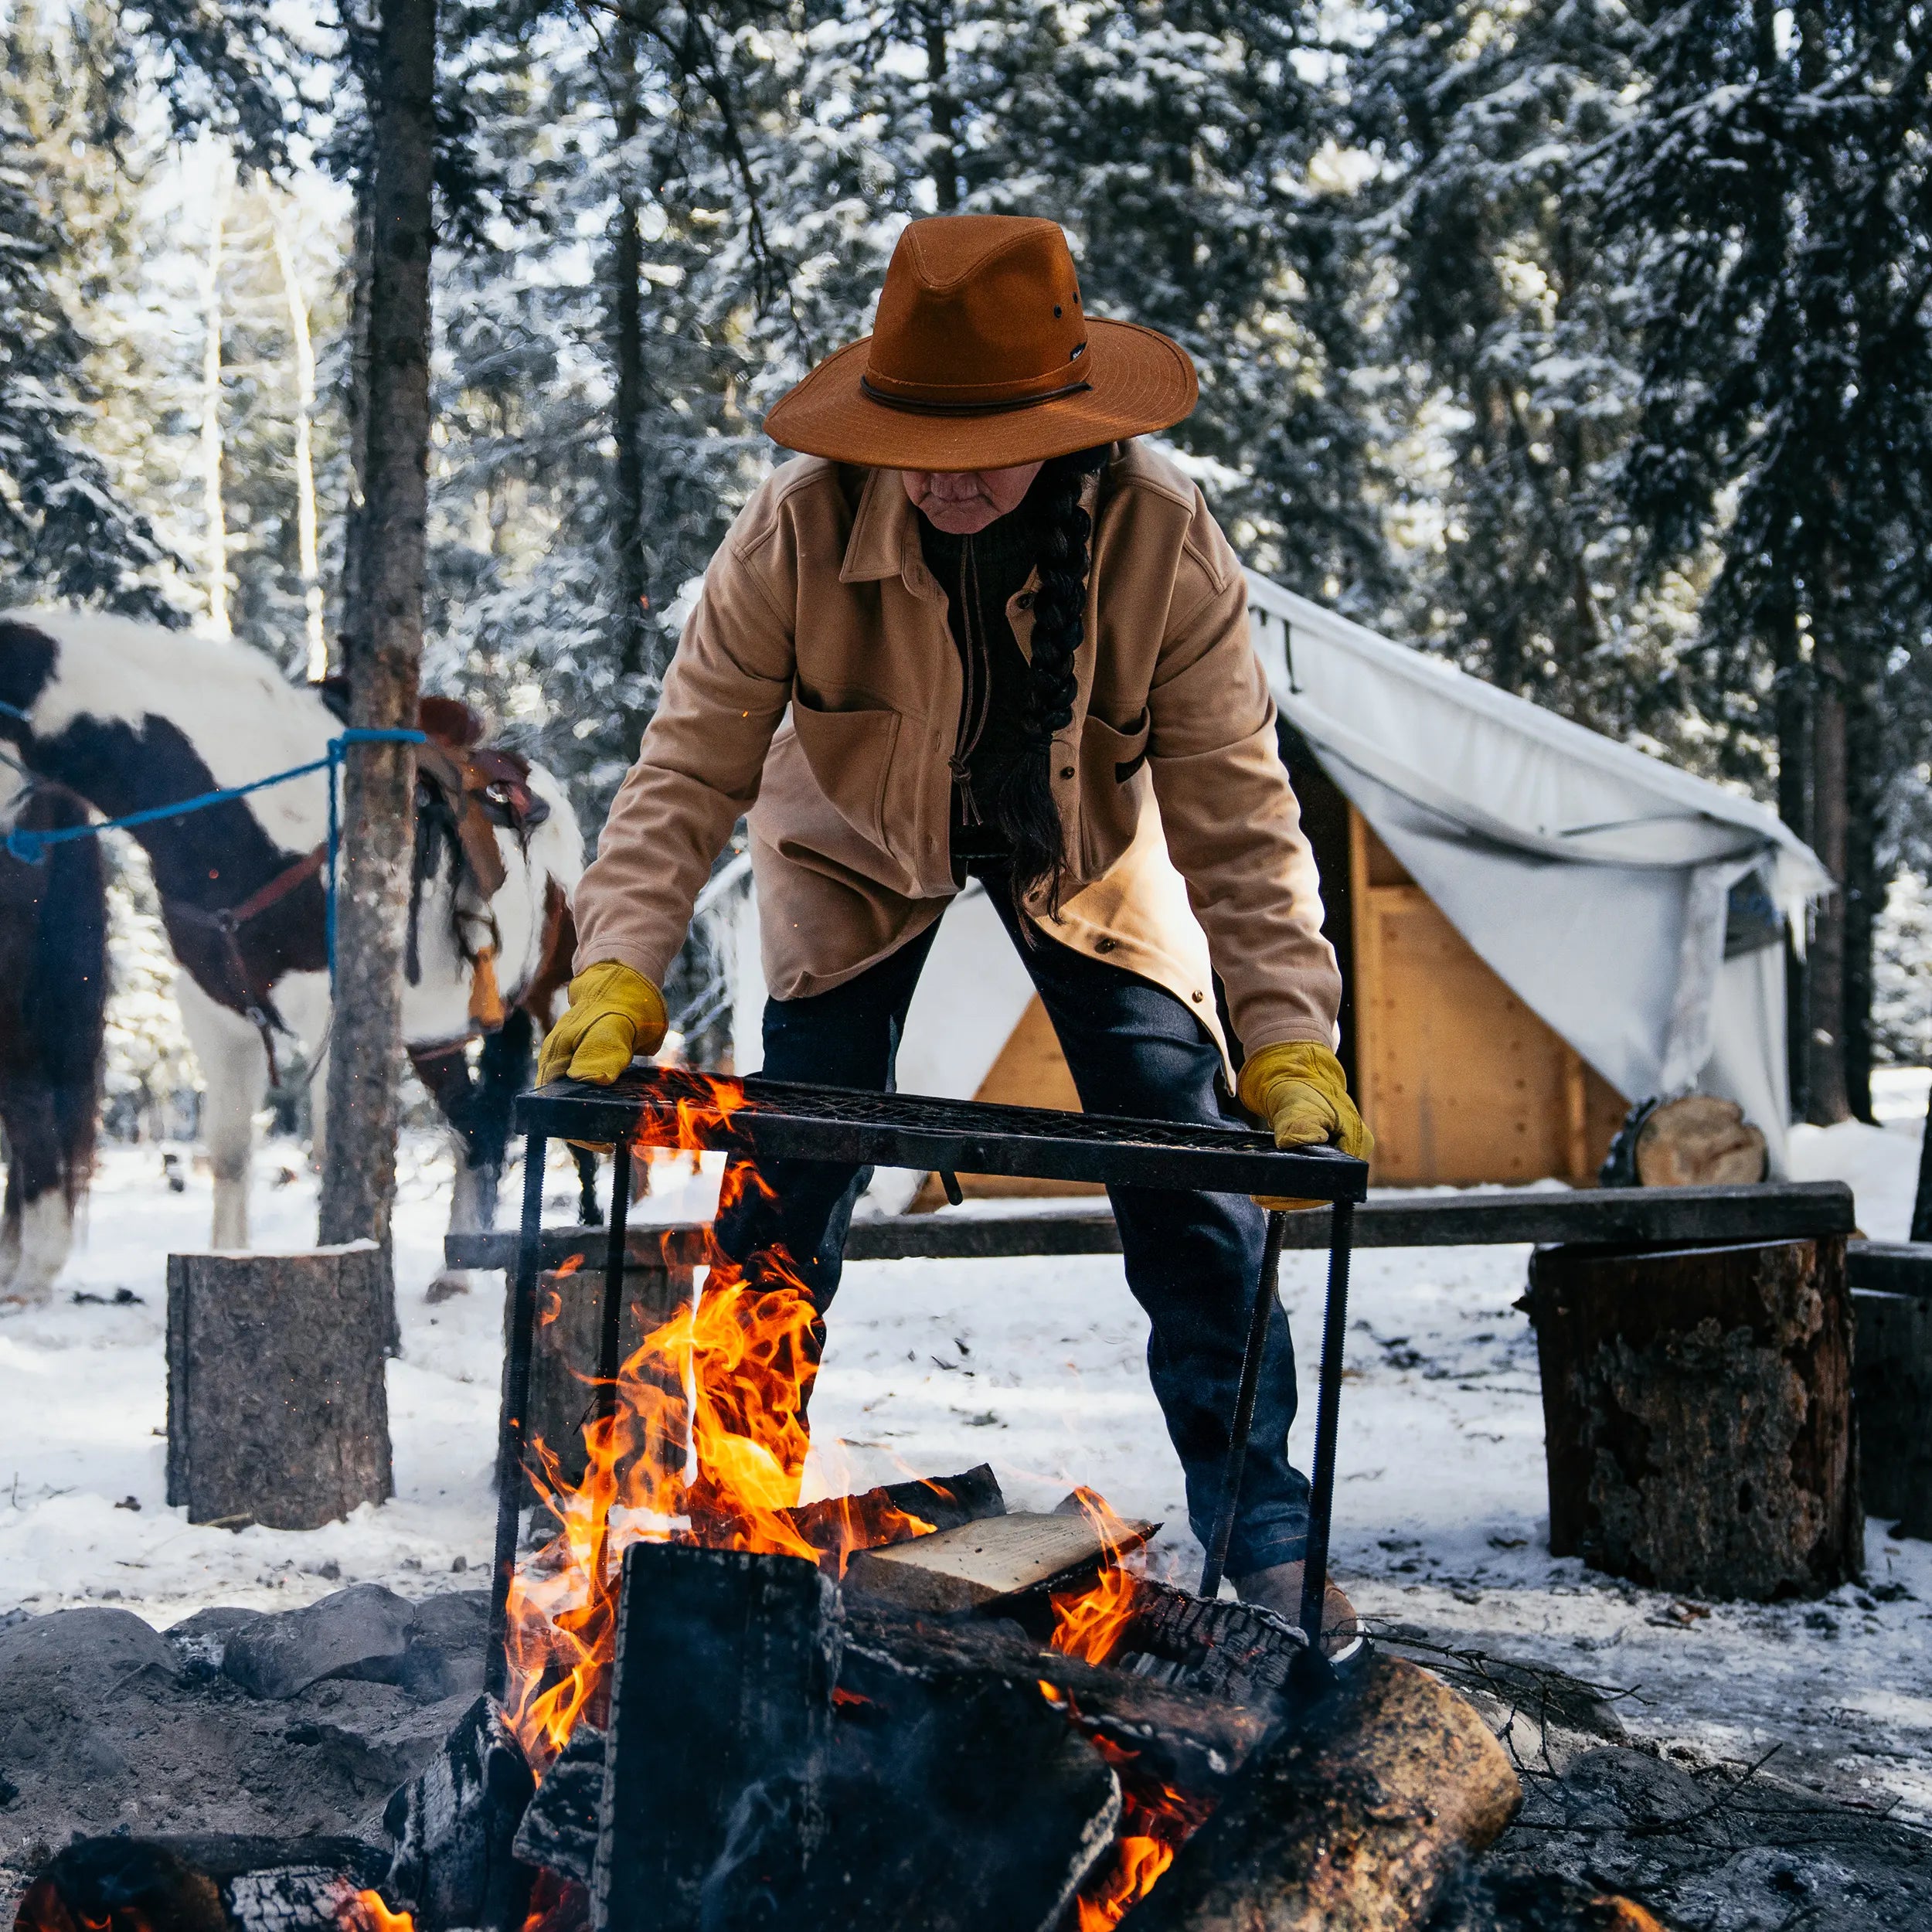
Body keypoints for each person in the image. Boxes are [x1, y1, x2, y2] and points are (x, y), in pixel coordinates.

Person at [541, 214, 1372, 1637]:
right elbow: (687, 765)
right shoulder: (795, 526)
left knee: (1187, 1164)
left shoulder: (1164, 533)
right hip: (851, 853)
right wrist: (618, 967)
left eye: (990, 443)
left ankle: (1268, 1530)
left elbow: (1239, 810)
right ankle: (734, 1512)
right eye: (922, 443)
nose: (951, 478)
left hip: (1090, 863)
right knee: (789, 1168)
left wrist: (1288, 1043)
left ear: (1068, 422)